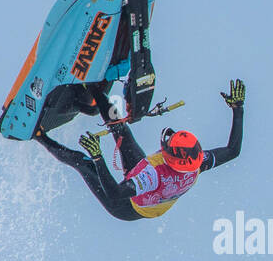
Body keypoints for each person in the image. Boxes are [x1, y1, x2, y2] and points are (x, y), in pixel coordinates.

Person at [36, 79, 245, 221]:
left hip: (126, 206)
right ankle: (94, 92)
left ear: (170, 159)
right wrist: (238, 108)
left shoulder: (151, 175)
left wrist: (98, 158)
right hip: (150, 187)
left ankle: (39, 135)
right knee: (119, 127)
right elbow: (233, 150)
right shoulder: (196, 164)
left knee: (84, 163)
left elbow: (116, 194)